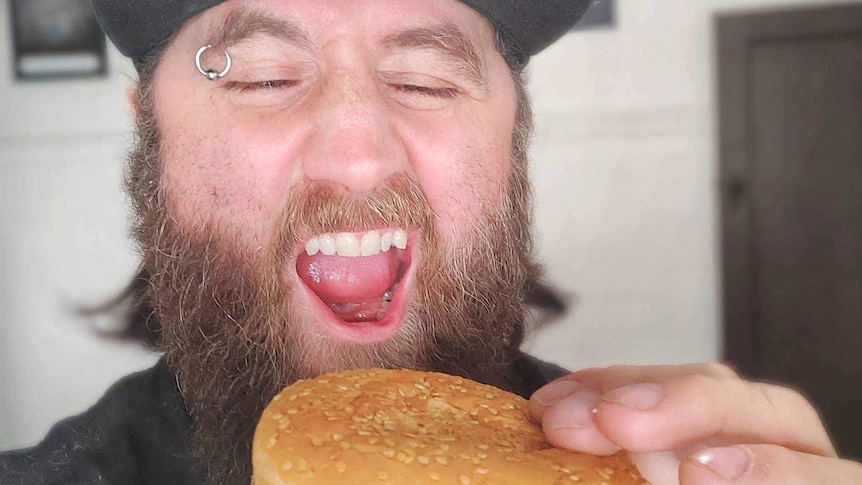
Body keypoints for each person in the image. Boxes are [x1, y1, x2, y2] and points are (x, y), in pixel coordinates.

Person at [1, 0, 860, 484]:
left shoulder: (647, 469)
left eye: (426, 78)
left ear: (515, 138)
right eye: (262, 75)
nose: (359, 154)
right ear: (149, 136)